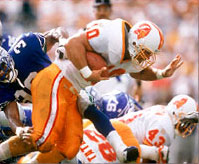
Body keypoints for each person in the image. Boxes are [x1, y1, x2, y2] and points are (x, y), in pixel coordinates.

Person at [0, 32, 139, 163]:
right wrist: (19, 129)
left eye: (2, 67)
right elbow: (12, 115)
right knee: (43, 139)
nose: (2, 73)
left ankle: (120, 148)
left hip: (63, 86)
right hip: (47, 105)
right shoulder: (2, 87)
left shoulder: (25, 47)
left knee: (70, 146)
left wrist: (62, 42)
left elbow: (57, 32)